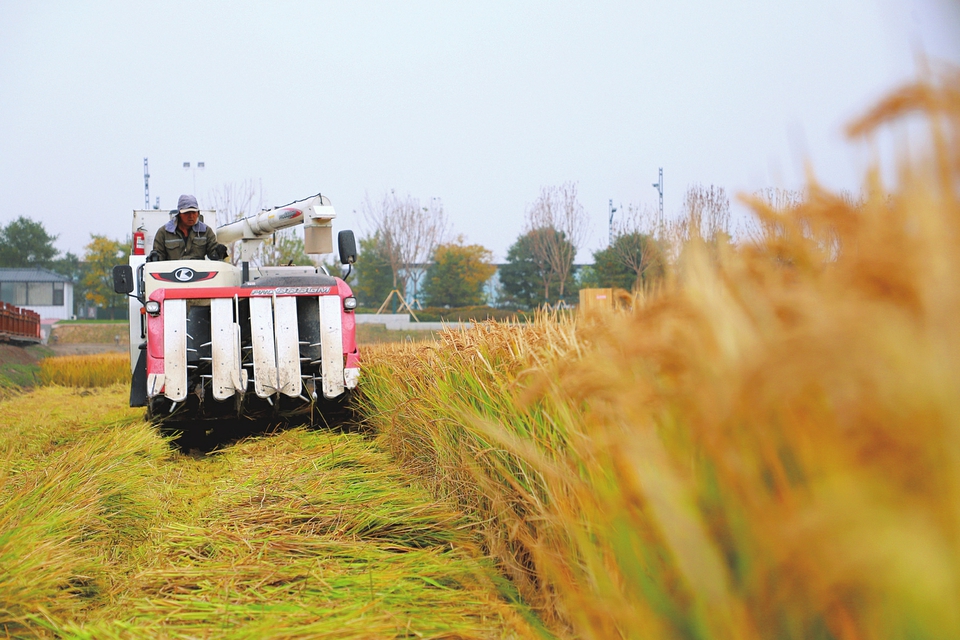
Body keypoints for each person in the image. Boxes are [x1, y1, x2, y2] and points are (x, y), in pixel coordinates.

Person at [148, 194, 228, 261]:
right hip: (171, 277)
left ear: (198, 213)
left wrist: (220, 252)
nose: (191, 216)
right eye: (187, 213)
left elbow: (213, 253)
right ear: (179, 214)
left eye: (194, 212)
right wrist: (155, 257)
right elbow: (158, 256)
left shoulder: (206, 232)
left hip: (200, 276)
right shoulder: (164, 233)